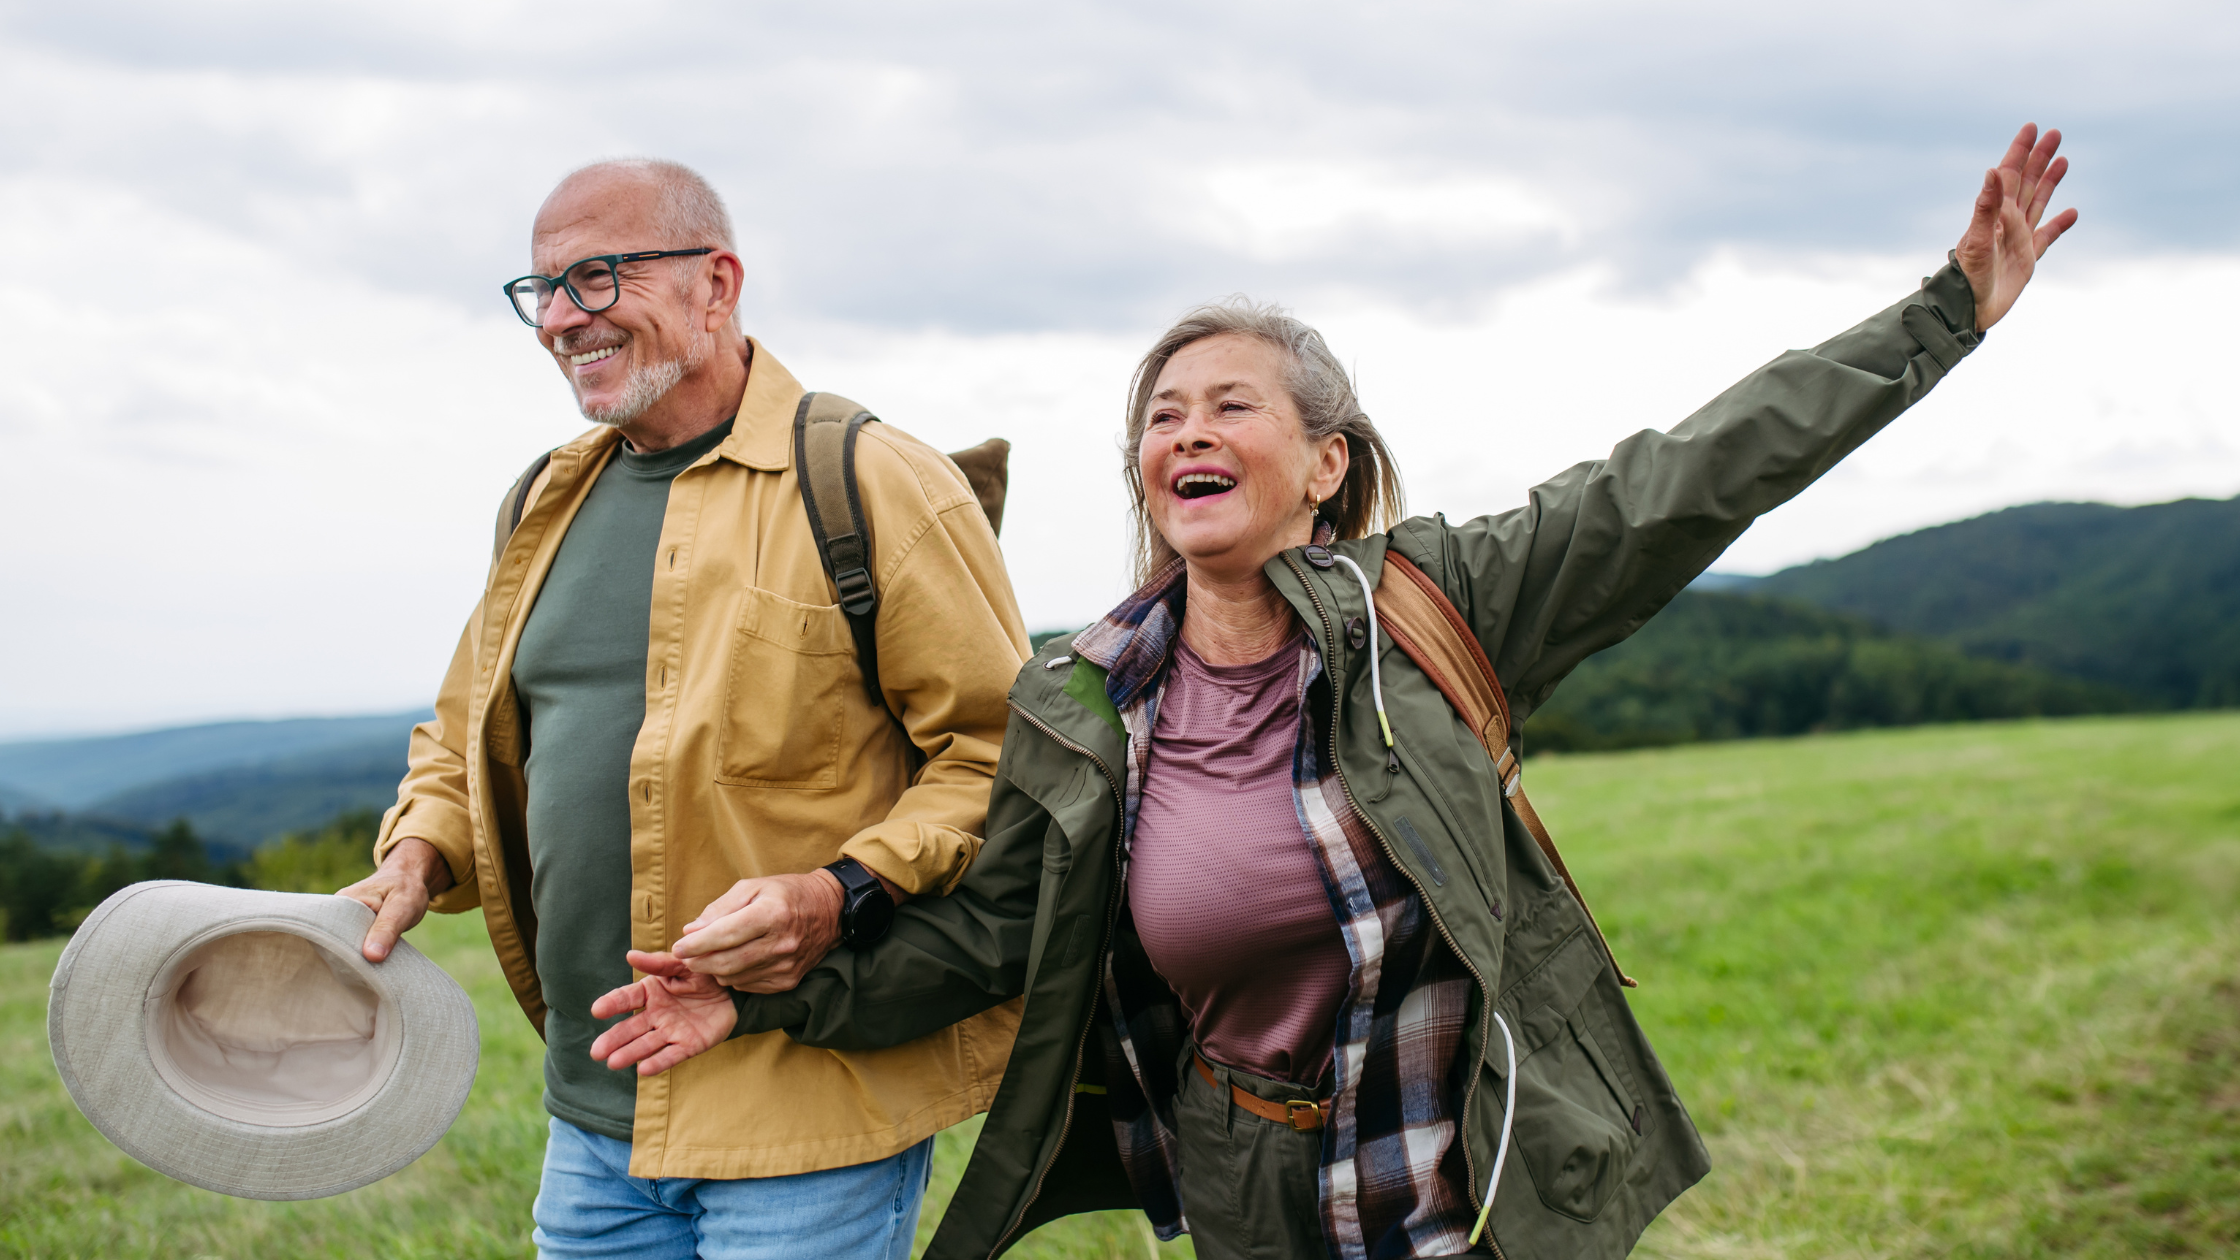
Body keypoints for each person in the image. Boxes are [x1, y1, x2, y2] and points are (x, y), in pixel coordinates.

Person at [642, 125, 2076, 1259]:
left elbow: (1682, 484)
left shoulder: (1435, 603)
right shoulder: (1090, 699)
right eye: (1160, 417)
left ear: (1325, 463)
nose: (1186, 433)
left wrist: (1942, 317)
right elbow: (995, 935)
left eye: (1229, 407)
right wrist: (778, 1000)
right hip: (1247, 1184)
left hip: (1460, 1167)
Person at [336, 158, 1030, 1259]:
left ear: (716, 284)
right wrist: (420, 851)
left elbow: (1002, 760)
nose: (562, 319)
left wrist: (836, 889)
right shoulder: (541, 499)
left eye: (600, 278)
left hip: (806, 1114)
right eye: (543, 290)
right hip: (591, 1117)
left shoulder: (873, 478)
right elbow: (466, 730)